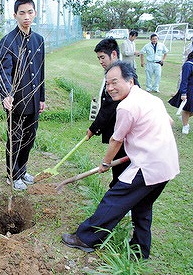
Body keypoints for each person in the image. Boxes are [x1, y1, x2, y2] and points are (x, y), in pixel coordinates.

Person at [62, 61, 179, 259]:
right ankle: (140, 250)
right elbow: (169, 121)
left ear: (130, 81)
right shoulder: (151, 99)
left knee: (114, 200)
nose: (110, 88)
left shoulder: (126, 106)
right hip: (167, 164)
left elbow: (116, 140)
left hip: (147, 165)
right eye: (107, 84)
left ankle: (86, 238)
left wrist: (105, 163)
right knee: (142, 206)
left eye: (114, 82)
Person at [0, 0, 46, 191]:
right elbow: (3, 72)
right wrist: (6, 94)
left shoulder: (38, 40)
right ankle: (12, 174)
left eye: (30, 12)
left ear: (35, 13)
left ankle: (22, 170)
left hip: (34, 101)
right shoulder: (8, 41)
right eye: (22, 13)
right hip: (16, 101)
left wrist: (41, 97)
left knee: (30, 137)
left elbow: (41, 71)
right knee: (15, 139)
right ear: (15, 15)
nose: (26, 16)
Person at [87, 38, 134, 187]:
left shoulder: (123, 76)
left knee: (122, 173)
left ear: (113, 54)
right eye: (98, 58)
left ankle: (120, 195)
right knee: (119, 172)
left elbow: (109, 107)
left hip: (124, 133)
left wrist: (93, 128)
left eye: (102, 57)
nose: (100, 61)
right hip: (117, 129)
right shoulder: (112, 73)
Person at [168, 51, 193, 134]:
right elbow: (184, 80)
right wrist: (183, 93)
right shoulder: (188, 64)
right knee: (187, 109)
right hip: (189, 89)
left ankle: (183, 118)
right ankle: (185, 126)